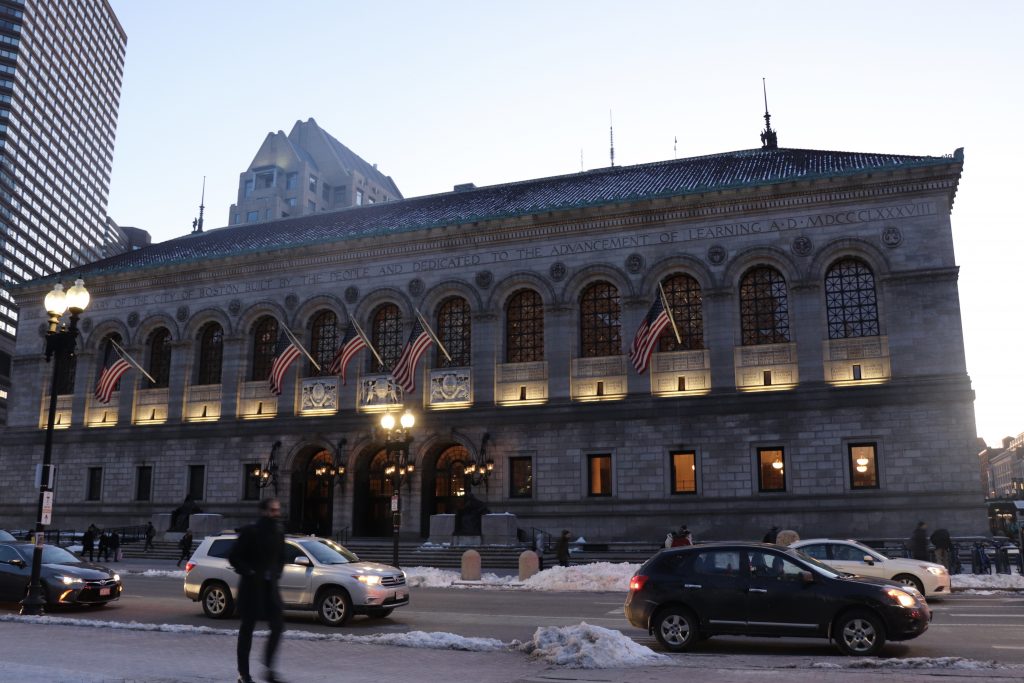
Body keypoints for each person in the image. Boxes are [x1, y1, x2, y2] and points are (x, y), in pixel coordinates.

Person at [229, 498, 286, 683]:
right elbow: (234, 557)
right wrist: (250, 572)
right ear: (263, 511)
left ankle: (269, 668)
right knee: (247, 630)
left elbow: (281, 557)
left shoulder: (279, 531)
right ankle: (243, 674)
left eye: (277, 510)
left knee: (277, 626)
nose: (276, 514)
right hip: (252, 589)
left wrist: (277, 571)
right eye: (272, 510)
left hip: (270, 589)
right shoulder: (250, 531)